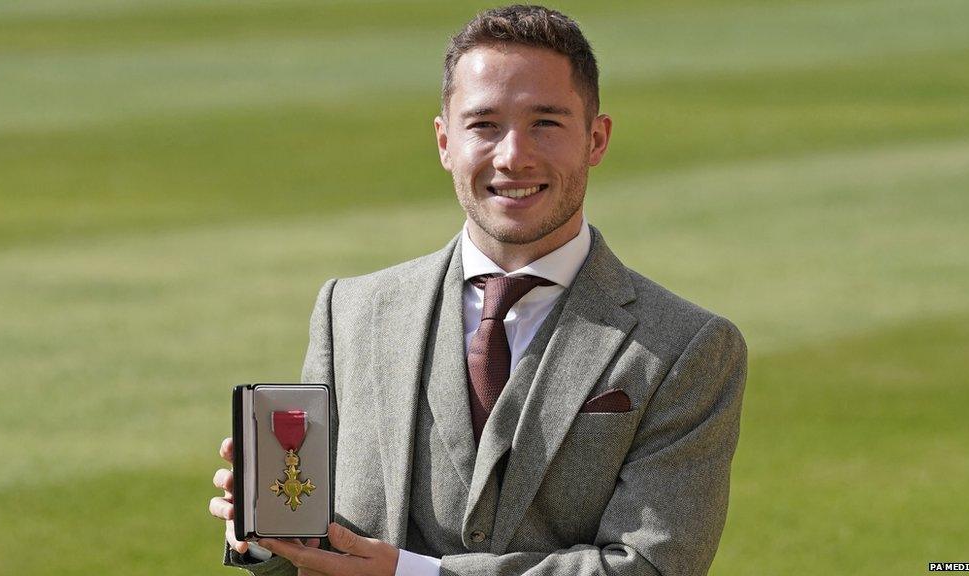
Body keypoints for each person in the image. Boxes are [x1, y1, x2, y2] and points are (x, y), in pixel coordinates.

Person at [209, 5, 747, 575]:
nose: (513, 156)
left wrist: (412, 574)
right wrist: (268, 538)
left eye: (545, 123)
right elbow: (317, 555)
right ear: (445, 141)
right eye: (484, 125)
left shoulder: (690, 347)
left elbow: (652, 567)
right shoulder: (351, 313)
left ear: (596, 138)